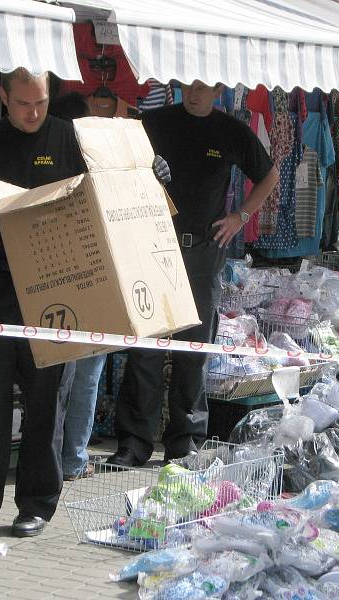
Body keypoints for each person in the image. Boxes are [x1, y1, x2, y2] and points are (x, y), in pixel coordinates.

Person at [106, 80, 279, 467]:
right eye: (189, 86)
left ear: (218, 90)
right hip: (153, 243)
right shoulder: (154, 121)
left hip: (203, 250)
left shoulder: (231, 129)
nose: (194, 94)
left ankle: (184, 442)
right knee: (146, 348)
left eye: (202, 88)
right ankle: (134, 442)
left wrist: (241, 217)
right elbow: (121, 158)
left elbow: (269, 176)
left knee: (194, 350)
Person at [0, 68, 88, 537]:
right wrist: (1, 203)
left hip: (53, 286)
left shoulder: (69, 138)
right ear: (3, 97)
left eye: (41, 103)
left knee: (46, 400)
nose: (33, 113)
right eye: (23, 103)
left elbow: (102, 190)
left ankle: (37, 505)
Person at [47, 90, 108, 481]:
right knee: (84, 376)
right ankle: (72, 460)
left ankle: (53, 459)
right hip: (101, 277)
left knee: (59, 377)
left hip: (59, 277)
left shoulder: (49, 160)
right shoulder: (99, 160)